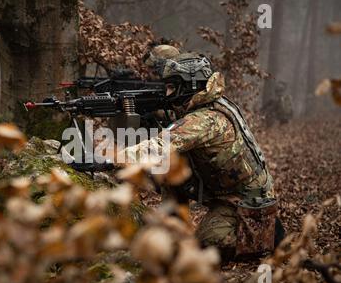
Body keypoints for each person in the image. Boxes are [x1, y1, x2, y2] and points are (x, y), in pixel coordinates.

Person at [120, 50, 284, 260]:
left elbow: (158, 146)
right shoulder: (212, 103)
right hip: (229, 195)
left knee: (208, 244)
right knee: (172, 167)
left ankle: (263, 235)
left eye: (172, 87)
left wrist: (109, 158)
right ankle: (173, 226)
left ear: (190, 86)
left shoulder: (205, 120)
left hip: (244, 204)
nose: (168, 94)